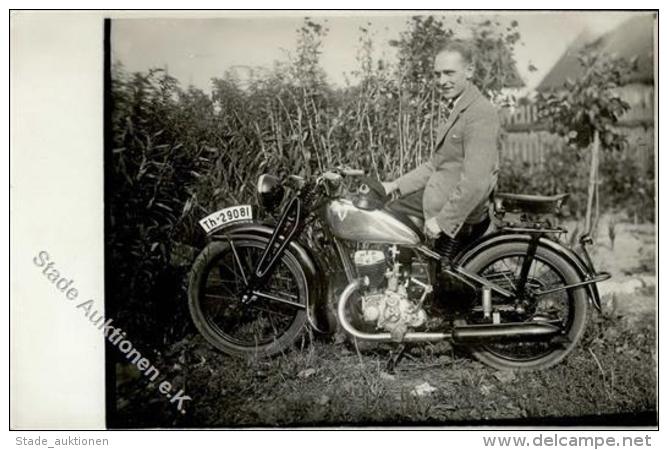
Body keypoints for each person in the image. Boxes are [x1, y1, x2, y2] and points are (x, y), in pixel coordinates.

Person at [382, 40, 501, 258]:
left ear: (469, 71)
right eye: (438, 75)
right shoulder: (461, 108)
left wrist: (443, 222)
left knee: (389, 221)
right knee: (386, 214)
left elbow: (476, 182)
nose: (442, 81)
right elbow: (436, 165)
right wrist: (395, 186)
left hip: (458, 213)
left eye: (449, 73)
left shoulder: (479, 113)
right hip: (442, 199)